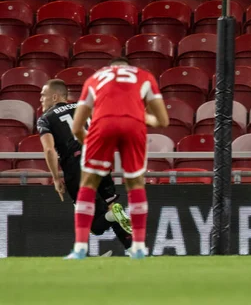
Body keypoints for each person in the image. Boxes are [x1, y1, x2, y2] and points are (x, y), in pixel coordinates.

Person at [65, 58, 169, 259]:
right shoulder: (144, 77)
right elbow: (163, 120)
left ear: (109, 69)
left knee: (87, 184)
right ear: (129, 68)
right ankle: (138, 247)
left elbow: (76, 127)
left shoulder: (95, 79)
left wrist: (90, 145)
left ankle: (79, 249)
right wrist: (140, 115)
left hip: (103, 125)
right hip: (133, 126)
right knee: (136, 184)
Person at [37, 79, 133, 254]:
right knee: (110, 205)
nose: (41, 99)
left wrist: (56, 178)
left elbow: (49, 150)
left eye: (43, 95)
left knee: (94, 225)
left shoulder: (45, 119)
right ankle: (134, 249)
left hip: (76, 166)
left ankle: (111, 218)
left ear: (55, 96)